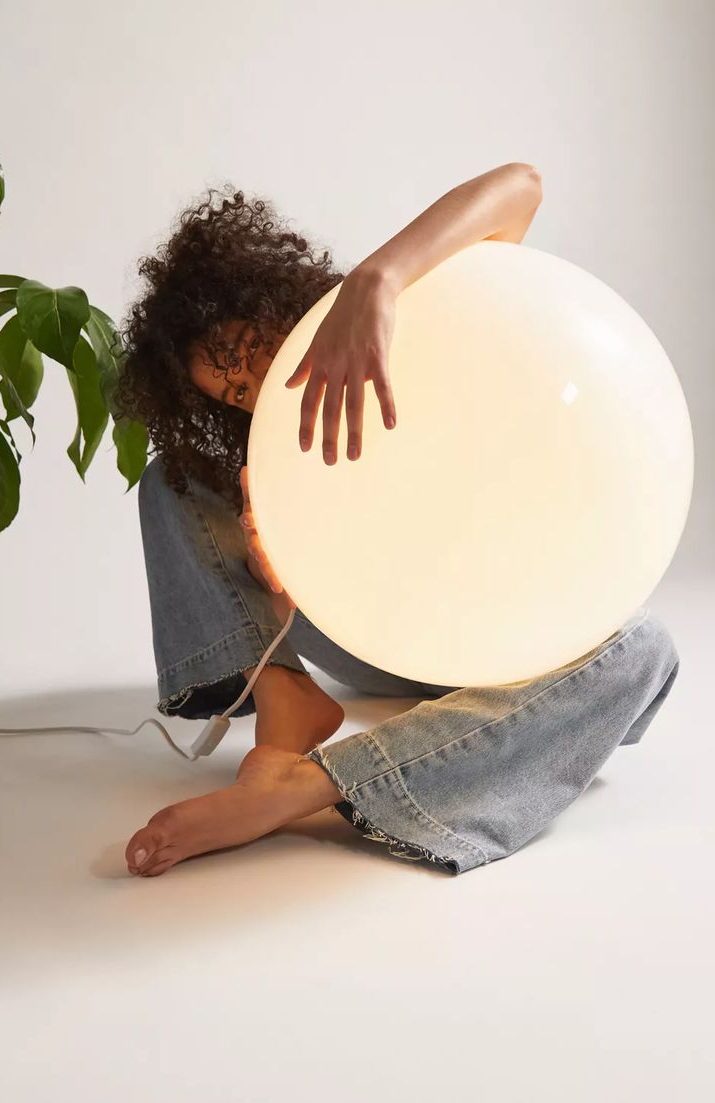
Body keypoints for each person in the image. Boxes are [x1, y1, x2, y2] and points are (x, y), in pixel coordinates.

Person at [113, 171, 681, 878]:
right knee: (174, 480)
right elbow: (326, 576)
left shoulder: (413, 310)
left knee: (644, 649)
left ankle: (317, 785)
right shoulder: (281, 453)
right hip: (384, 634)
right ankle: (286, 702)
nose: (260, 386)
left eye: (253, 349)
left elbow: (522, 186)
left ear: (276, 302)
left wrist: (378, 279)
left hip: (521, 632)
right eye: (235, 391)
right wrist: (277, 571)